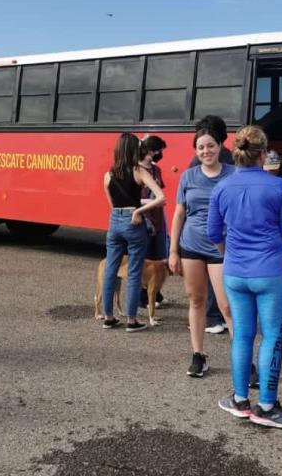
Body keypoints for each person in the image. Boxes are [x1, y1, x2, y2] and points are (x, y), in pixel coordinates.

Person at [210, 125, 282, 429]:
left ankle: (240, 400)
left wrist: (230, 254)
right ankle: (266, 406)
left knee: (242, 336)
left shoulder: (222, 187)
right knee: (272, 339)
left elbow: (214, 233)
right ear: (263, 154)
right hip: (270, 272)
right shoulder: (278, 187)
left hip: (235, 273)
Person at [168, 125, 235, 377]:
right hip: (191, 247)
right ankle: (198, 355)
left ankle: (243, 360)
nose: (206, 151)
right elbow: (179, 214)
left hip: (222, 249)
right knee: (196, 301)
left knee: (227, 306)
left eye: (210, 145)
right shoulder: (188, 176)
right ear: (196, 151)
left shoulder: (233, 174)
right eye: (200, 147)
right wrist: (173, 251)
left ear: (219, 146)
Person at [99, 133, 165, 332]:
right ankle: (131, 320)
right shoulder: (139, 171)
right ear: (132, 150)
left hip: (115, 222)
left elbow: (112, 204)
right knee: (135, 271)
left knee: (111, 269)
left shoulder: (108, 174)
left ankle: (108, 317)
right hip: (133, 222)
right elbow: (160, 197)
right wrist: (138, 210)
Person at [188, 115, 233, 334]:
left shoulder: (198, 163)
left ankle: (213, 316)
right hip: (221, 235)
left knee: (203, 290)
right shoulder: (231, 159)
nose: (205, 150)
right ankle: (215, 316)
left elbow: (183, 210)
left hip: (200, 236)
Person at [138, 135, 168, 309]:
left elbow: (159, 192)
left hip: (158, 220)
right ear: (149, 150)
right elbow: (134, 198)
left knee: (158, 259)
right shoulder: (136, 170)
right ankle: (143, 297)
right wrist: (150, 202)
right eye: (158, 150)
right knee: (145, 260)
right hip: (144, 220)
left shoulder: (156, 171)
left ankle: (154, 293)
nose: (159, 153)